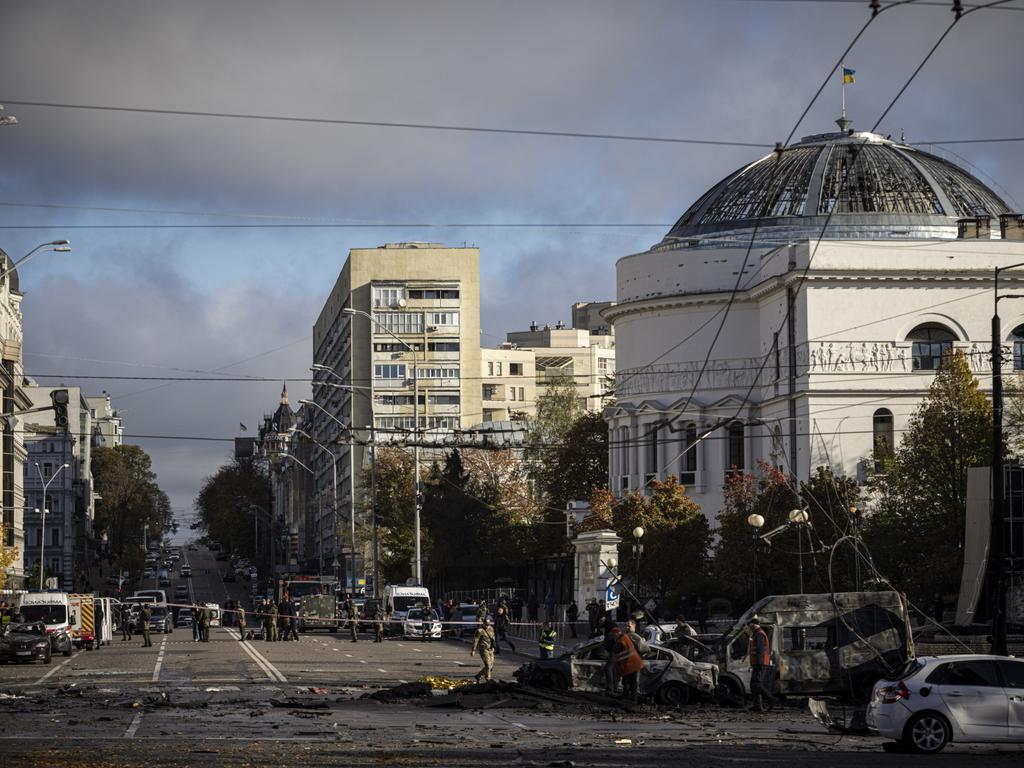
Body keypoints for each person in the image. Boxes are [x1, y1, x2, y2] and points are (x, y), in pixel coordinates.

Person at [610, 625, 644, 704]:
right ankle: (626, 696)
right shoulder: (625, 637)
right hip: (631, 664)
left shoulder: (621, 641)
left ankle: (633, 700)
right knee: (627, 681)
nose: (613, 637)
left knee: (632, 683)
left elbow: (614, 651)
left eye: (613, 635)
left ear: (617, 633)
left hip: (632, 664)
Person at [747, 616, 775, 709]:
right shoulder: (756, 633)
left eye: (750, 624)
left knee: (757, 684)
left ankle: (770, 698)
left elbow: (760, 650)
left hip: (760, 663)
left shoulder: (759, 634)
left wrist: (758, 663)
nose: (749, 626)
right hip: (757, 663)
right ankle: (757, 705)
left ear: (754, 624)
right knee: (753, 685)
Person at [471, 616, 496, 682]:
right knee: (488, 665)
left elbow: (493, 638)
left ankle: (478, 675)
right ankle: (488, 679)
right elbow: (475, 641)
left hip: (490, 649)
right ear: (483, 623)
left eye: (488, 625)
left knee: (491, 666)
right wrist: (473, 650)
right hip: (483, 649)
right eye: (486, 625)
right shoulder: (479, 631)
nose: (487, 626)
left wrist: (493, 646)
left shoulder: (491, 629)